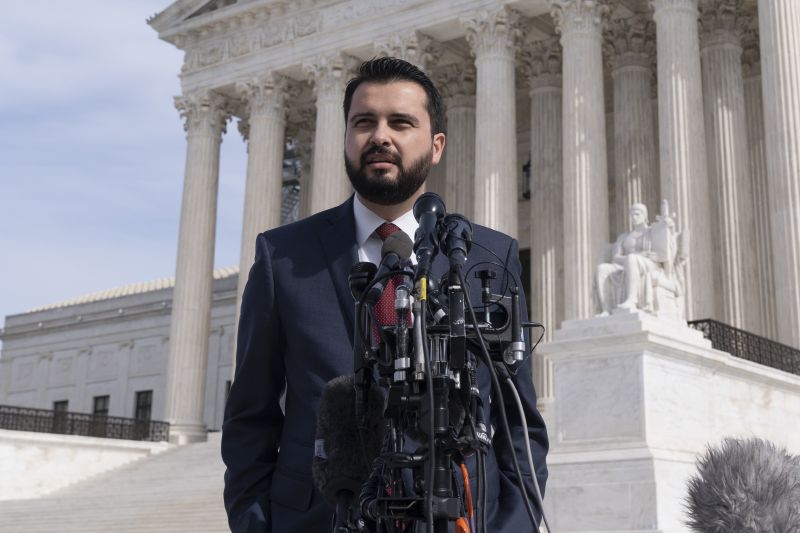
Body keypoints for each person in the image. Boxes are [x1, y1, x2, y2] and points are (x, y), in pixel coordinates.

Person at [222, 57, 548, 533]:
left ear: (435, 146)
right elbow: (250, 416)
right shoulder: (283, 257)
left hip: (458, 519)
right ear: (347, 139)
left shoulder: (487, 256)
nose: (381, 136)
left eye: (401, 122)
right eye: (364, 122)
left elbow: (520, 422)